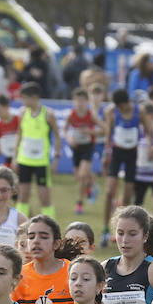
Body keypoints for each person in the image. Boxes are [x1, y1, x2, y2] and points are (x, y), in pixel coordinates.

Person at [101, 89, 142, 245]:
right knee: (109, 191)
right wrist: (106, 153)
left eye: (121, 106)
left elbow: (150, 129)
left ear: (126, 103)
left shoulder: (139, 111)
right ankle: (105, 228)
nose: (119, 109)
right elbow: (108, 132)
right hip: (117, 153)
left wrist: (152, 144)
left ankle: (120, 230)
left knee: (127, 196)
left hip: (132, 154)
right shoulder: (113, 112)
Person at [14, 82, 60, 218]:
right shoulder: (23, 112)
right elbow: (19, 134)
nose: (22, 101)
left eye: (24, 98)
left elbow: (57, 136)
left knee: (44, 198)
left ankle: (52, 230)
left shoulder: (48, 114)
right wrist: (14, 157)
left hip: (41, 162)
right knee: (22, 197)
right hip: (24, 161)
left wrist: (56, 158)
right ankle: (20, 229)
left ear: (34, 97)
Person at [64, 88, 103, 216]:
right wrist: (69, 139)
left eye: (82, 100)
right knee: (78, 176)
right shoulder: (71, 114)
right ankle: (91, 184)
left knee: (82, 175)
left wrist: (89, 132)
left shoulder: (91, 115)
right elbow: (64, 130)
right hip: (76, 147)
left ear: (87, 101)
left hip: (88, 146)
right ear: (74, 101)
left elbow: (105, 129)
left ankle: (79, 203)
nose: (80, 103)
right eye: (77, 100)